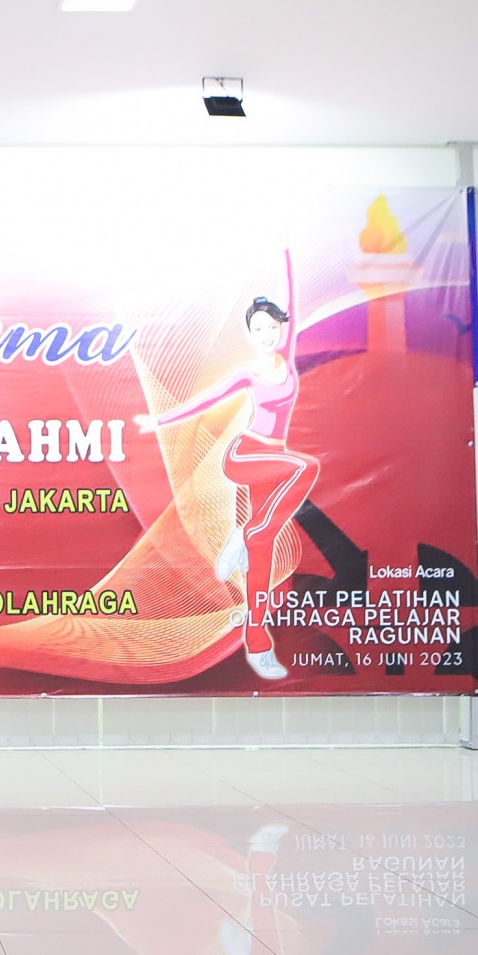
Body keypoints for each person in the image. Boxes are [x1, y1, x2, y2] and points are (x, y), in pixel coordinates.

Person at [134, 252, 319, 681]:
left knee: (263, 550)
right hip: (246, 456)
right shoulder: (248, 373)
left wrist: (286, 250)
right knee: (306, 467)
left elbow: (292, 294)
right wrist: (159, 420)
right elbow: (206, 400)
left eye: (272, 327)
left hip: (274, 463)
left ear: (281, 328)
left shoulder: (287, 357)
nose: (267, 335)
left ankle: (258, 641)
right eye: (259, 329)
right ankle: (246, 532)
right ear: (250, 335)